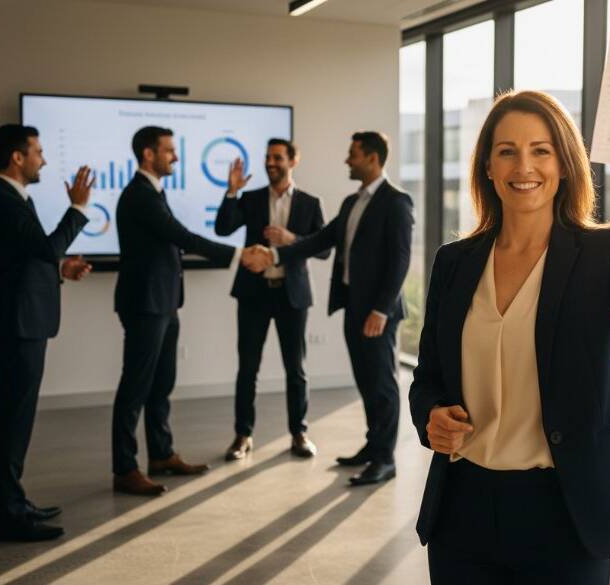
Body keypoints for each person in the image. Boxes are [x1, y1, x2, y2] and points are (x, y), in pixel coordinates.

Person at [409, 91, 610, 583]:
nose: (525, 165)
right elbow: (428, 376)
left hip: (564, 512)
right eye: (507, 151)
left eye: (541, 150)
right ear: (488, 169)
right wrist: (431, 415)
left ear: (564, 163)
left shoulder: (600, 253)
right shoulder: (453, 263)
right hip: (462, 510)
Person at [251, 131, 413, 486]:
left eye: (352, 154)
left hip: (377, 314)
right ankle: (373, 446)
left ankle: (385, 459)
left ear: (372, 158)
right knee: (366, 381)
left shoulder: (396, 202)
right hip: (353, 306)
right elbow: (320, 241)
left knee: (383, 384)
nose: (347, 160)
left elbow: (400, 261)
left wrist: (382, 311)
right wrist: (275, 254)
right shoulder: (351, 203)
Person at [111, 126, 264, 496]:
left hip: (163, 302)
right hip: (146, 304)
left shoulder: (152, 192)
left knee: (161, 385)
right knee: (135, 387)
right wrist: (237, 254)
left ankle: (161, 455)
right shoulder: (139, 196)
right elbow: (181, 236)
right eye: (169, 151)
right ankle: (125, 468)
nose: (175, 158)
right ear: (148, 154)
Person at [0, 124, 94, 541]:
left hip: (20, 320)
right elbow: (44, 247)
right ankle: (9, 515)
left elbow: (24, 260)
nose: (43, 159)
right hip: (16, 324)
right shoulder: (3, 202)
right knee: (13, 418)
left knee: (16, 416)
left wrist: (60, 270)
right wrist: (77, 209)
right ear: (17, 158)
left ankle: (13, 503)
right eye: (38, 152)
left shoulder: (10, 200)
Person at [214, 138, 329, 460]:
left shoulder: (309, 202)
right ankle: (242, 436)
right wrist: (231, 191)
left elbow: (324, 249)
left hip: (292, 296)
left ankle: (299, 433)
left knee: (296, 369)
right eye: (267, 157)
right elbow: (223, 229)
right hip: (253, 294)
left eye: (277, 157)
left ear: (293, 161)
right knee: (247, 368)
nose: (270, 162)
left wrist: (293, 239)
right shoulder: (250, 199)